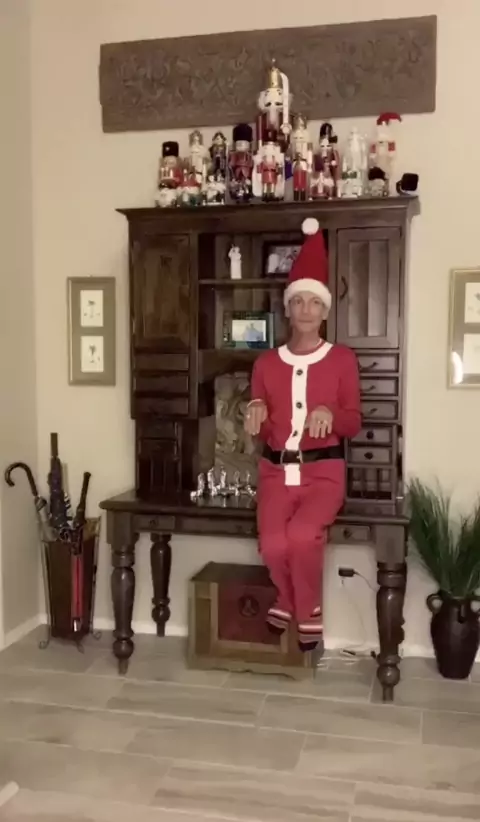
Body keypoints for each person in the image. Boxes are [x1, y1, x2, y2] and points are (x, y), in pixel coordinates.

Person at [244, 218, 361, 652]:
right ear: (288, 309)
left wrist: (331, 414)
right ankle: (294, 602)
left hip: (323, 474)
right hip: (275, 473)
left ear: (325, 311)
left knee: (302, 537)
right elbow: (260, 418)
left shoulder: (342, 359)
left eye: (315, 302)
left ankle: (301, 610)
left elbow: (353, 421)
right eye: (299, 302)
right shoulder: (265, 363)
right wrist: (254, 411)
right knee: (273, 545)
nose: (307, 310)